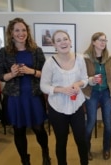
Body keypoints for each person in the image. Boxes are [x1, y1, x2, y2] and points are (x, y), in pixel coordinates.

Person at [0, 17, 50, 165]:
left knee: (38, 128)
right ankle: (24, 160)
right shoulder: (4, 52)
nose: (21, 33)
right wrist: (12, 74)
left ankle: (46, 154)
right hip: (15, 98)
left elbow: (46, 74)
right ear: (11, 33)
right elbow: (1, 76)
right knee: (19, 130)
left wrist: (31, 71)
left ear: (28, 32)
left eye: (24, 30)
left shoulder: (36, 50)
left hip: (33, 96)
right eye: (17, 30)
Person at [40, 30, 88, 165]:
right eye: (59, 40)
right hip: (57, 107)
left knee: (81, 140)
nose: (63, 42)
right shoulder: (50, 63)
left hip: (77, 105)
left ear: (70, 42)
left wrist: (78, 84)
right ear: (54, 45)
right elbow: (43, 86)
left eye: (65, 39)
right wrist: (61, 90)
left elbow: (85, 79)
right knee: (61, 142)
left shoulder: (80, 59)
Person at [82, 32, 111, 161]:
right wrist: (91, 79)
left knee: (108, 124)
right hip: (91, 93)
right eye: (100, 40)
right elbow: (81, 78)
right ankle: (86, 150)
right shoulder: (85, 58)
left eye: (105, 40)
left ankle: (107, 149)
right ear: (93, 42)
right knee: (90, 123)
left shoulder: (109, 58)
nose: (103, 42)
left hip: (106, 93)